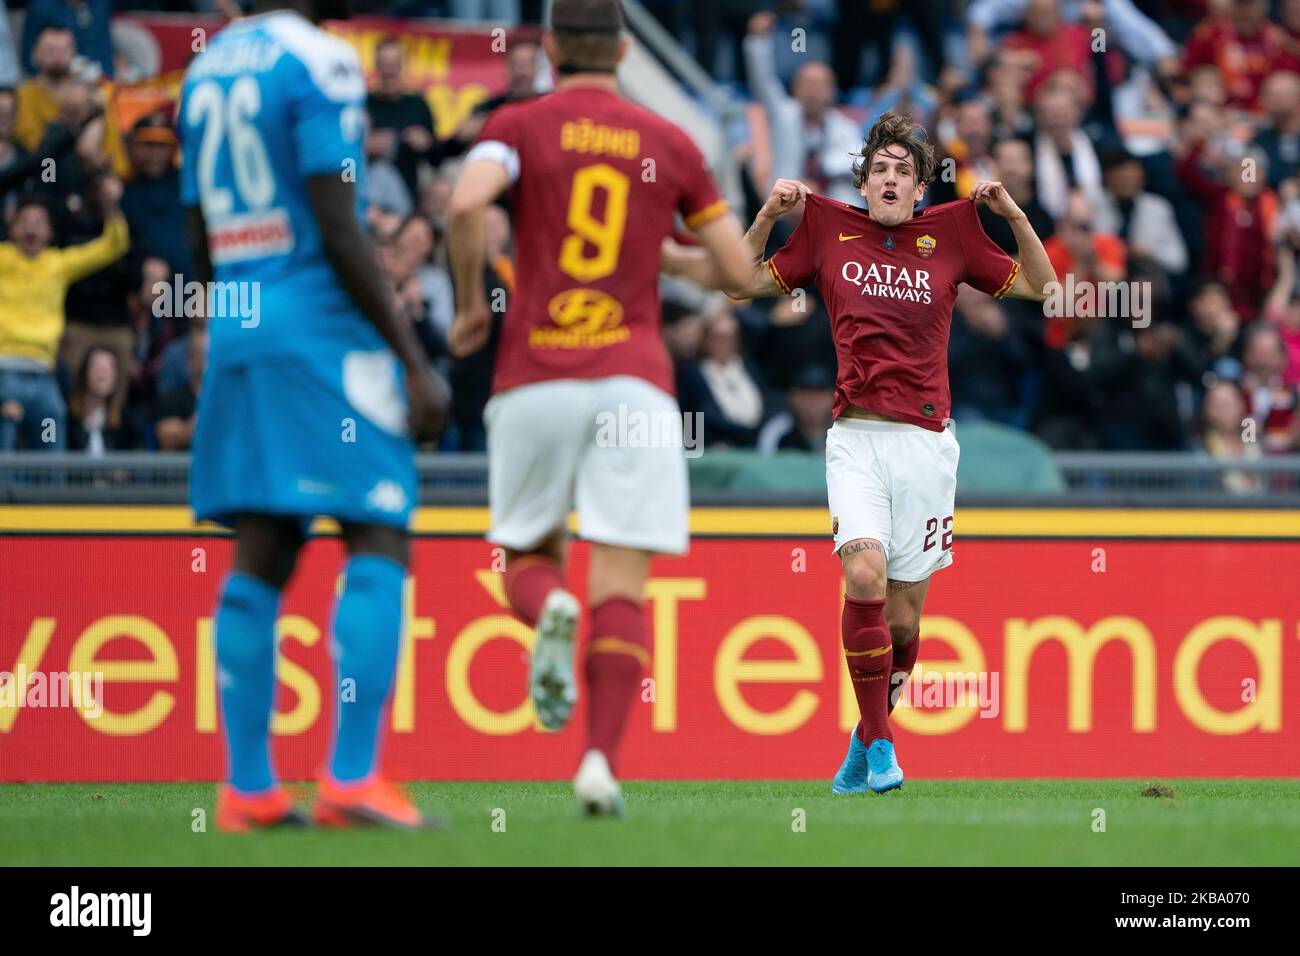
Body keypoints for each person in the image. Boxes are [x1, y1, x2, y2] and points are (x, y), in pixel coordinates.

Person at [663, 112, 1055, 794]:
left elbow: (1042, 287)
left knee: (904, 619)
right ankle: (881, 747)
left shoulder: (954, 231)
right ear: (864, 180)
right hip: (856, 440)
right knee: (864, 577)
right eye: (881, 169)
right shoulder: (826, 227)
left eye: (905, 170)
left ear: (920, 185)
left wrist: (1014, 217)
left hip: (929, 448)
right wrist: (765, 215)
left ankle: (863, 738)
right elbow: (741, 285)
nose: (892, 179)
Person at [446, 0, 755, 816]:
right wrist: (691, 265)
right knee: (623, 579)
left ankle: (550, 605)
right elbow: (737, 273)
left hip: (535, 375)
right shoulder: (670, 142)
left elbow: (463, 205)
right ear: (623, 49)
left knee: (529, 555)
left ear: (550, 48)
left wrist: (471, 304)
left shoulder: (517, 123)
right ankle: (598, 766)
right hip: (634, 384)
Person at [179, 0, 446, 833]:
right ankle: (351, 778)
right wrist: (410, 357)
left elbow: (195, 231)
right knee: (378, 529)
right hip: (319, 330)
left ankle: (249, 789)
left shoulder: (205, 66)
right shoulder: (321, 59)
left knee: (264, 542)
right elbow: (338, 226)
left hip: (239, 317)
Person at [0, 186, 127, 452]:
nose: (31, 230)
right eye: (24, 222)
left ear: (50, 232)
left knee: (53, 420)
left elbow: (114, 245)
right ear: (12, 229)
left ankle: (53, 494)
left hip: (43, 376)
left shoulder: (57, 265)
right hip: (4, 374)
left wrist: (110, 206)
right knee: (5, 425)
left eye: (39, 223)